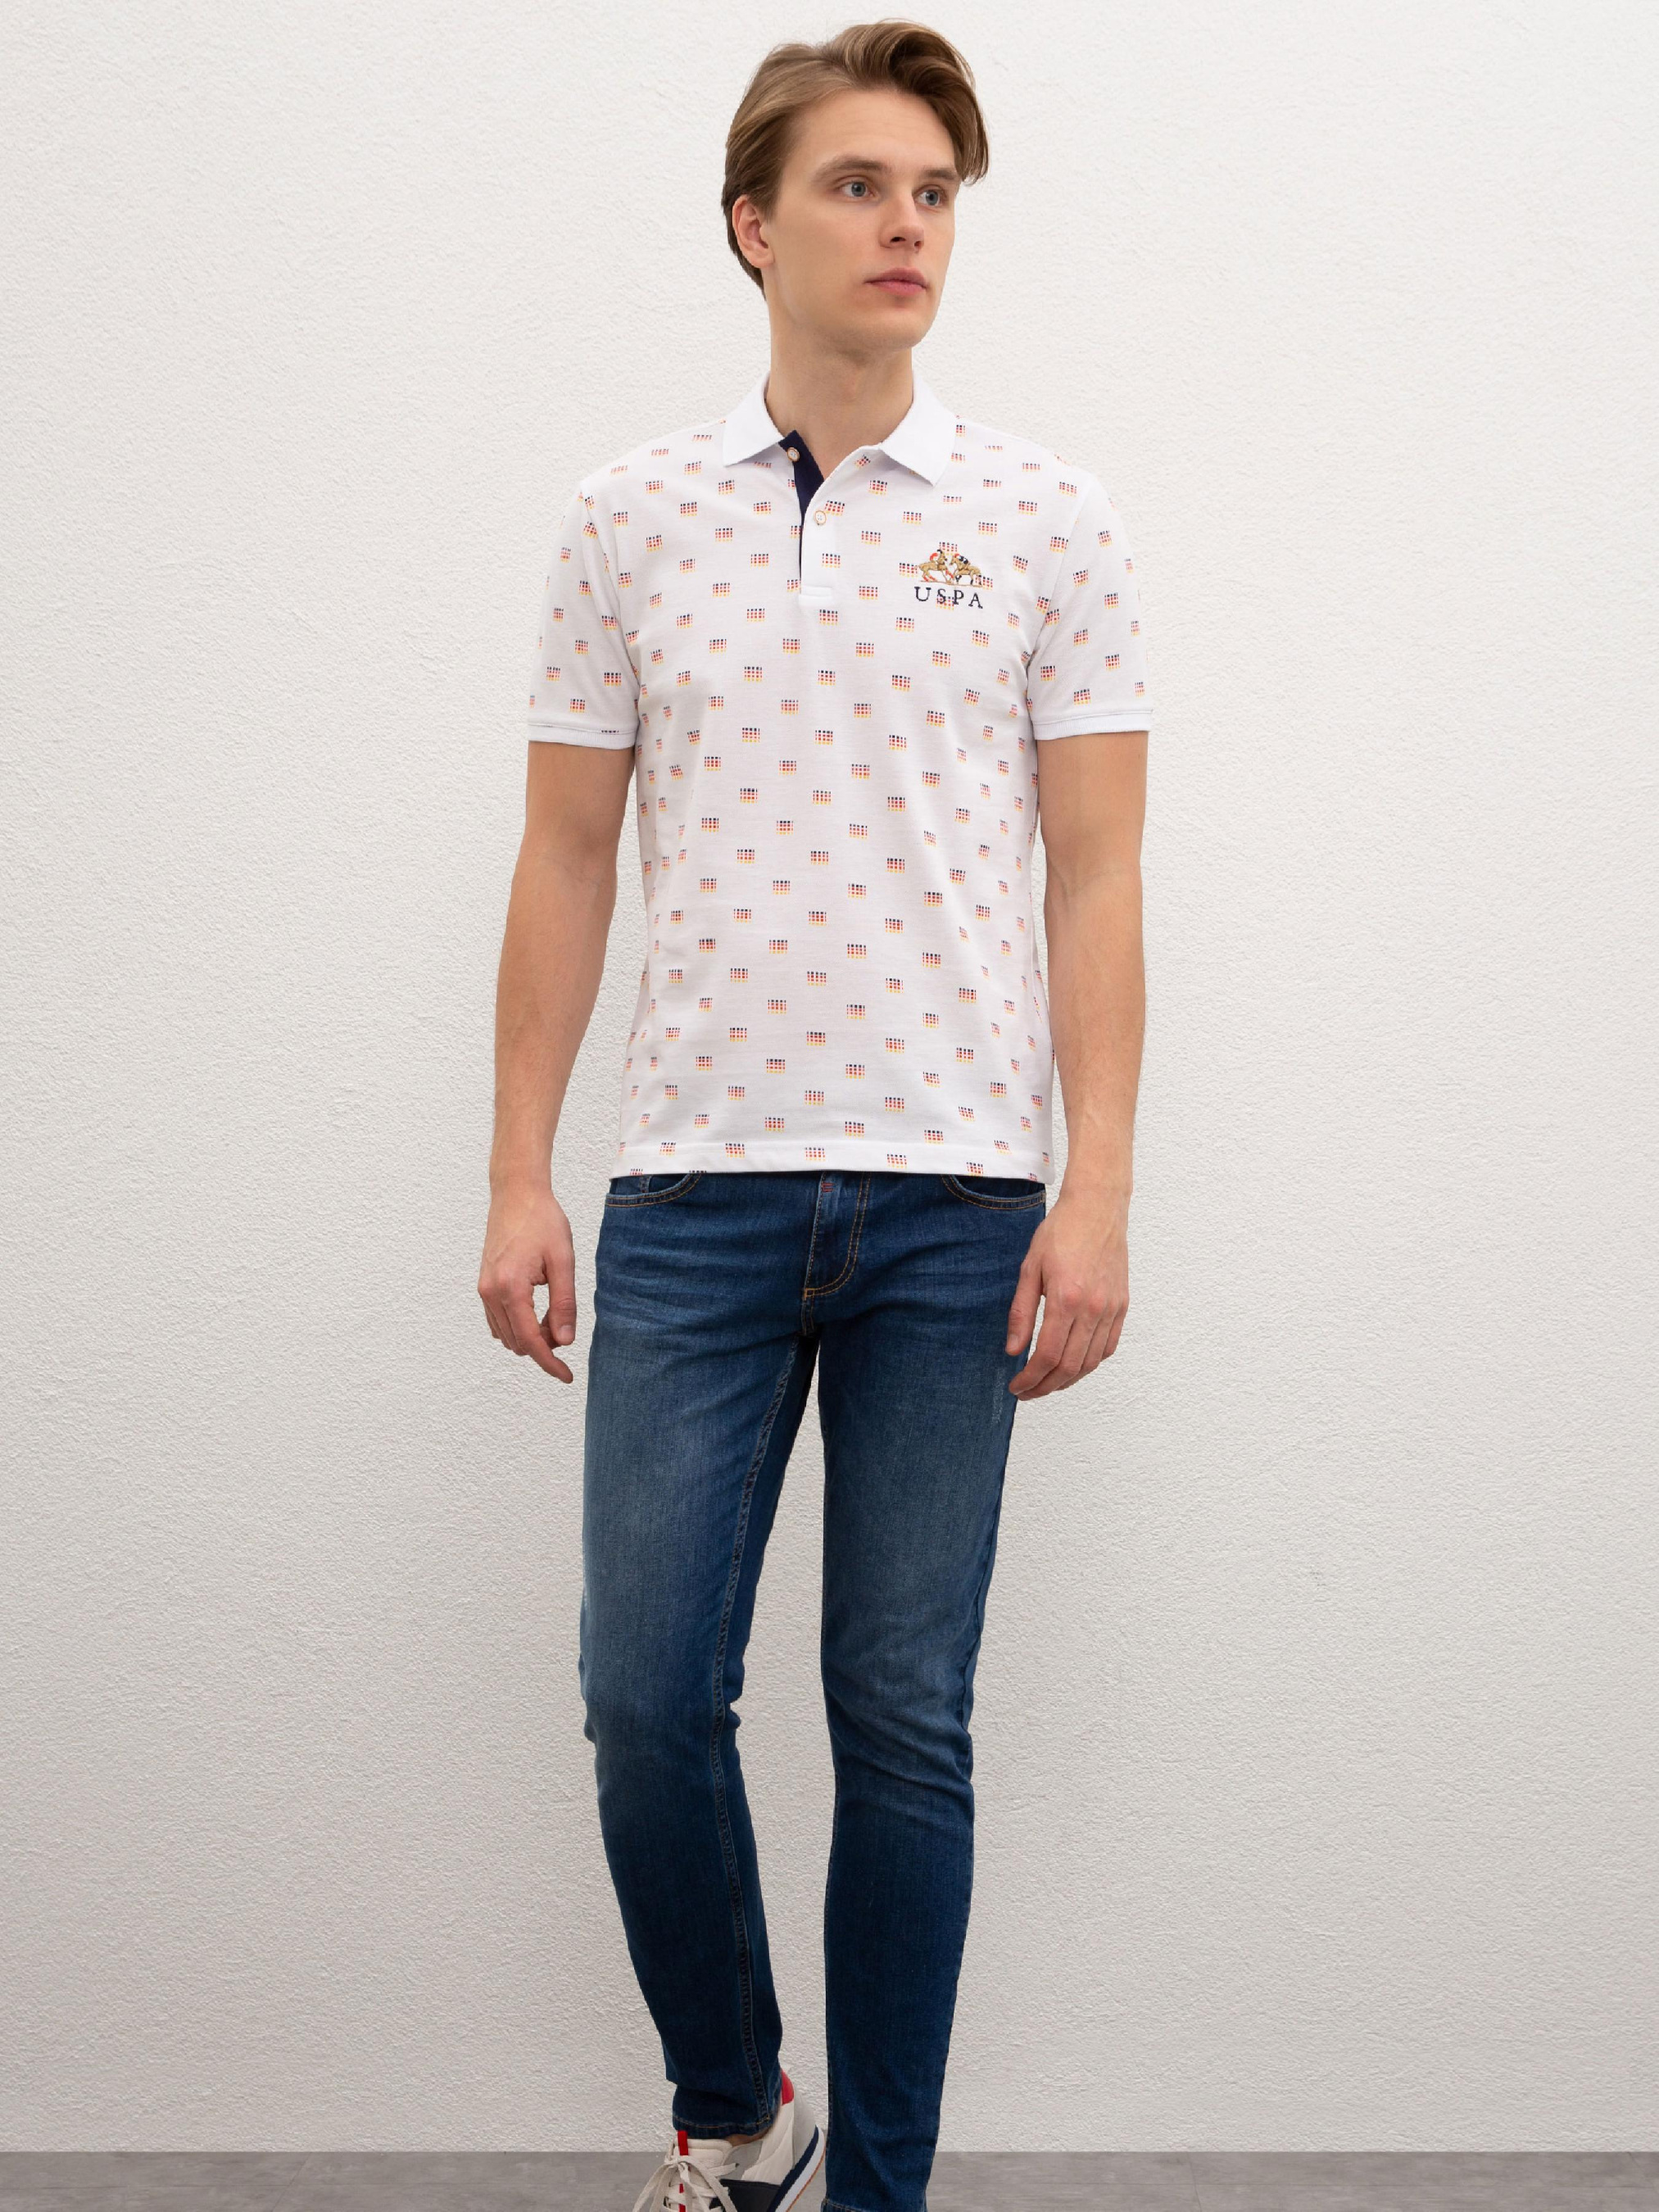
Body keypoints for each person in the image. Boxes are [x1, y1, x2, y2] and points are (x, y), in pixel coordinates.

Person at [478, 20, 1152, 2212]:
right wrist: (516, 1168)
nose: (906, 226)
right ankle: (732, 2091)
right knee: (641, 1693)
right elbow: (565, 857)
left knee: (902, 1716)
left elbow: (1098, 878)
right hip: (690, 1194)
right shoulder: (627, 519)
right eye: (859, 185)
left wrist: (1097, 1193)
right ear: (754, 225)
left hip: (958, 1204)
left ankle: (878, 2193)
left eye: (934, 191)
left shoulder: (1047, 520)